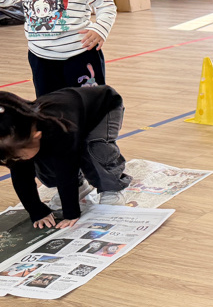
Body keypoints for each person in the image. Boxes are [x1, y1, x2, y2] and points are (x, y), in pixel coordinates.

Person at [0, 86, 131, 229]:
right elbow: (21, 177)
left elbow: (67, 170)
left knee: (95, 147)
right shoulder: (15, 140)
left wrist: (71, 213)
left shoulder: (57, 128)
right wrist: (37, 211)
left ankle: (112, 188)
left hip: (103, 108)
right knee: (43, 160)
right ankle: (80, 186)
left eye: (19, 156)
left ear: (36, 136)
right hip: (73, 119)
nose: (17, 160)